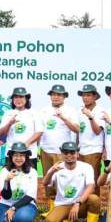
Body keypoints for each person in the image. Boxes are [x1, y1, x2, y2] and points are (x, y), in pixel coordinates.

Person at [42, 142, 101, 222]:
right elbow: (45, 183)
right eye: (65, 153)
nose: (69, 155)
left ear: (77, 154)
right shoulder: (57, 167)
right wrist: (51, 171)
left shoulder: (86, 167)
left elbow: (91, 186)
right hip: (63, 204)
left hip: (80, 204)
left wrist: (78, 203)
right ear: (61, 154)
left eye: (72, 152)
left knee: (94, 199)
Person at [38, 85, 79, 215]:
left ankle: (63, 207)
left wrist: (64, 118)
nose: (56, 97)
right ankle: (52, 208)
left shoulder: (70, 111)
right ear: (50, 96)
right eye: (53, 94)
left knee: (63, 180)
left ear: (64, 97)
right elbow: (39, 130)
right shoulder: (44, 111)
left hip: (63, 152)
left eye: (59, 94)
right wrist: (39, 148)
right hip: (46, 150)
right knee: (48, 180)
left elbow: (77, 129)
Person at [0, 142, 39, 222]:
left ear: (26, 157)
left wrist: (13, 208)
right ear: (11, 157)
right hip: (6, 204)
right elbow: (5, 196)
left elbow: (30, 196)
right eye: (15, 155)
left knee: (22, 219)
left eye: (22, 155)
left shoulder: (32, 172)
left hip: (26, 205)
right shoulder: (4, 171)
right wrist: (7, 181)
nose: (18, 158)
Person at [0, 87, 42, 167]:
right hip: (11, 153)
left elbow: (39, 132)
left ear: (26, 99)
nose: (18, 99)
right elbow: (1, 133)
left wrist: (25, 145)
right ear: (12, 100)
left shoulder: (34, 113)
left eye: (21, 97)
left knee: (29, 177)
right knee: (9, 177)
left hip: (29, 153)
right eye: (16, 97)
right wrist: (9, 123)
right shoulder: (7, 113)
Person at [76, 84, 105, 177]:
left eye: (88, 95)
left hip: (94, 150)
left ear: (95, 96)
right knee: (81, 179)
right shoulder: (79, 111)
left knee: (93, 179)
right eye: (83, 95)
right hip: (81, 150)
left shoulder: (100, 111)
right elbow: (78, 132)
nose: (85, 98)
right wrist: (76, 149)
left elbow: (97, 131)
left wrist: (90, 117)